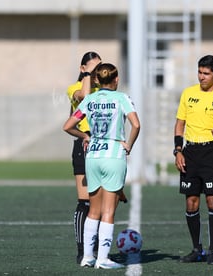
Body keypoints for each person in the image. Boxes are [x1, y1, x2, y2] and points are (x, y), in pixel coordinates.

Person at [63, 63, 140, 269]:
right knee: (108, 211)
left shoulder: (89, 99)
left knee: (93, 211)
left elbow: (68, 126)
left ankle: (88, 257)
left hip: (93, 155)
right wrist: (128, 145)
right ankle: (103, 259)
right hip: (113, 155)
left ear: (96, 80)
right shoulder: (121, 98)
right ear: (116, 80)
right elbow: (136, 124)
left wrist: (85, 135)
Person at [174, 55, 213, 265]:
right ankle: (196, 249)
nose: (202, 77)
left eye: (206, 73)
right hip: (190, 152)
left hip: (212, 152)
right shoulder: (188, 93)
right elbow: (180, 124)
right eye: (200, 72)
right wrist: (178, 150)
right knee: (191, 201)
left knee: (212, 199)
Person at [66, 51, 102, 264]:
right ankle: (82, 250)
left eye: (99, 68)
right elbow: (85, 98)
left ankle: (97, 249)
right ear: (83, 69)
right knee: (85, 202)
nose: (97, 72)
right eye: (92, 68)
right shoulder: (74, 89)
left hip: (103, 148)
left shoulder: (104, 89)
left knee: (101, 203)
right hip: (83, 146)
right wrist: (87, 76)